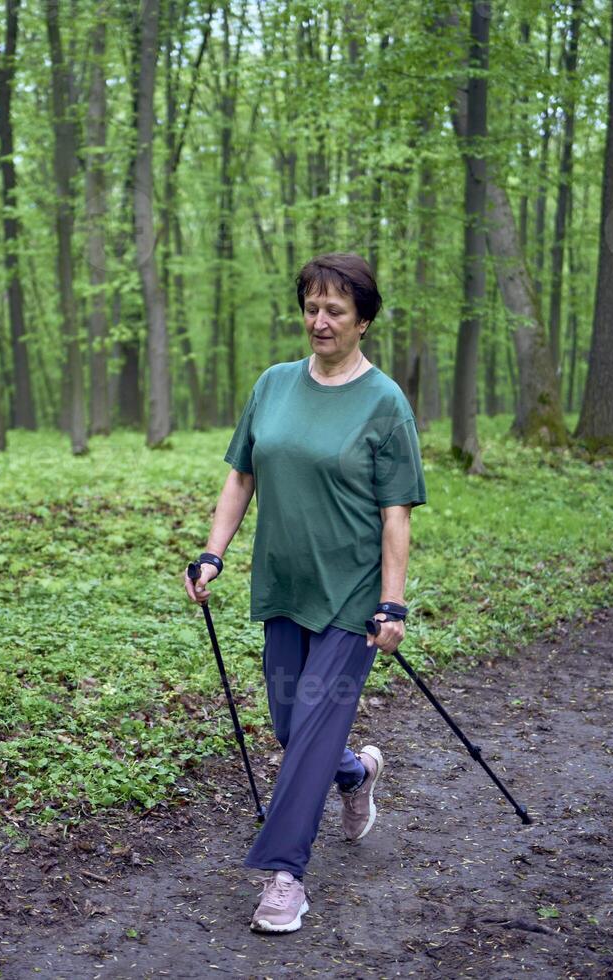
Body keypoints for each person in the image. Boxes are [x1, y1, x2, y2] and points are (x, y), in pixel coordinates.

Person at [182, 252, 426, 934]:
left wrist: (392, 601)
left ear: (365, 323)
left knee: (311, 731)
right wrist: (213, 554)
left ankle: (286, 876)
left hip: (351, 598)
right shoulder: (273, 385)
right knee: (294, 728)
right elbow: (241, 478)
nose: (320, 322)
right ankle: (354, 774)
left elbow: (396, 512)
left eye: (336, 312)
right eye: (312, 309)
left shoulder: (385, 403)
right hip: (284, 586)